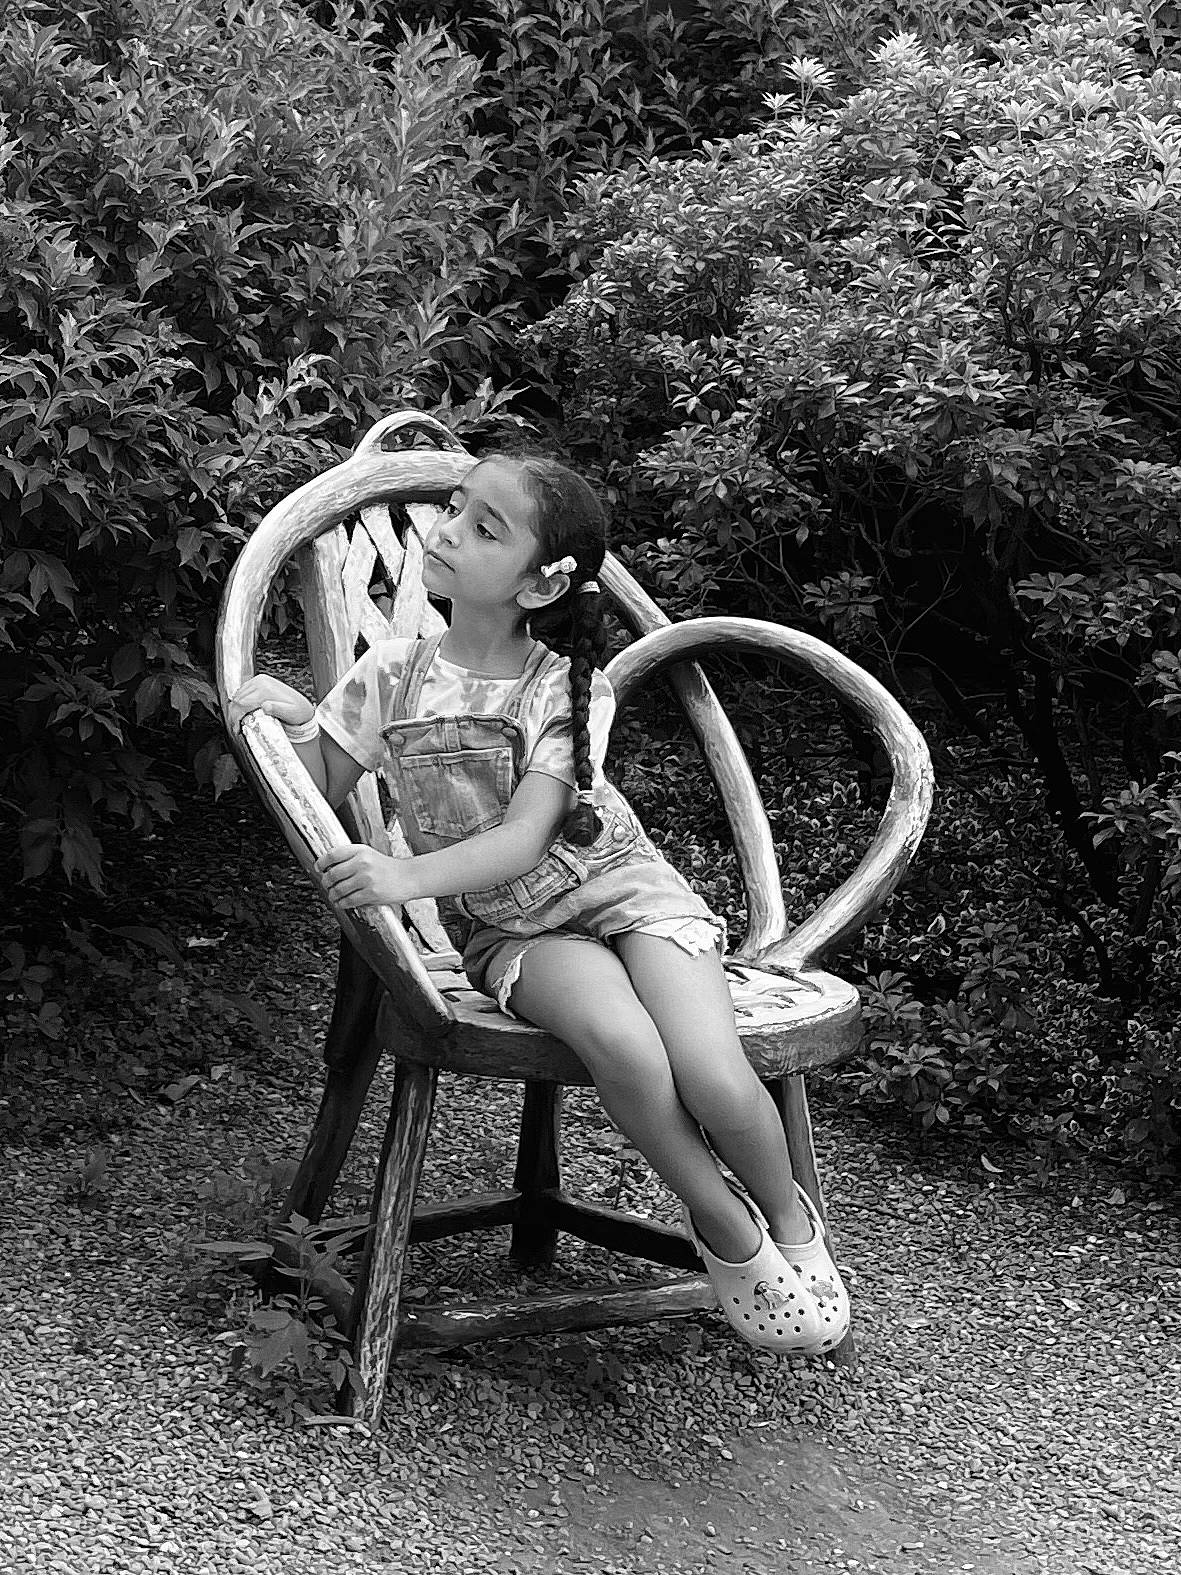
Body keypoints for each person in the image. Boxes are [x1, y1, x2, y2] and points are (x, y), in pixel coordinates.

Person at [229, 451, 849, 1356]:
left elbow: (526, 837)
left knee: (713, 1071)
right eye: (453, 511)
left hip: (627, 892)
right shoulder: (390, 675)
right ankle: (724, 1226)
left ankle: (794, 1226)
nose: (446, 533)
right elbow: (320, 784)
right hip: (515, 929)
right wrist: (289, 717)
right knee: (624, 1045)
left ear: (541, 581)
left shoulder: (566, 685)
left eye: (485, 528)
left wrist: (403, 877)